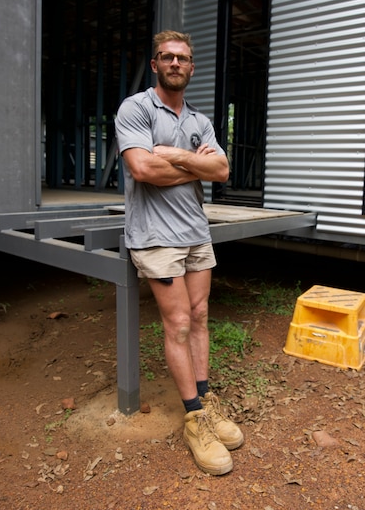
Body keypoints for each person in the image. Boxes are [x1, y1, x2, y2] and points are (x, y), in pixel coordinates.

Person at [114, 30, 242, 476]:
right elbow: (143, 168)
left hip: (194, 231)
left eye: (182, 58)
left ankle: (207, 401)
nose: (174, 63)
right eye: (166, 57)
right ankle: (194, 418)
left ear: (191, 67)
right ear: (155, 65)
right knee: (180, 321)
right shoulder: (136, 108)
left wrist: (174, 156)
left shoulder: (202, 121)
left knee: (202, 313)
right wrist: (194, 163)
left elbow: (222, 170)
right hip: (155, 235)